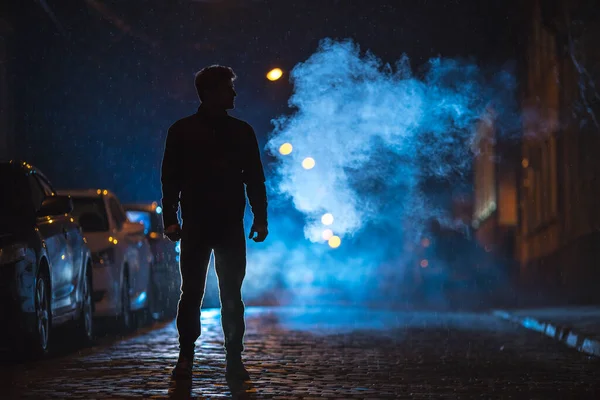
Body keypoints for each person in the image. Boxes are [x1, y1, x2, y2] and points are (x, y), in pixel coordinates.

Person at [160, 65, 268, 381]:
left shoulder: (194, 130)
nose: (233, 93)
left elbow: (254, 179)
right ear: (210, 92)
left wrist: (260, 216)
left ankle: (218, 358)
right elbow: (171, 180)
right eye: (227, 88)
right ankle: (198, 356)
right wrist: (170, 219)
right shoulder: (195, 131)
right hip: (208, 224)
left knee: (215, 293)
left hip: (216, 224)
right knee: (204, 293)